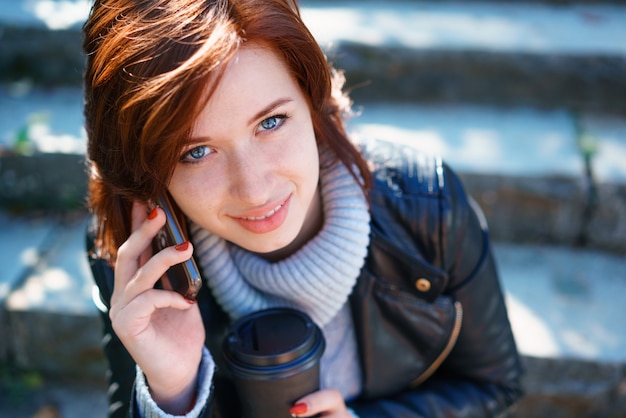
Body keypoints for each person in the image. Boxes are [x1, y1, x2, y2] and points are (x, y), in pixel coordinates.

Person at [83, 0, 524, 417]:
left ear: (311, 101)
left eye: (270, 122)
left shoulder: (425, 205)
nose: (254, 190)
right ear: (147, 174)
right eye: (195, 153)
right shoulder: (138, 264)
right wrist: (174, 391)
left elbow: (494, 383)